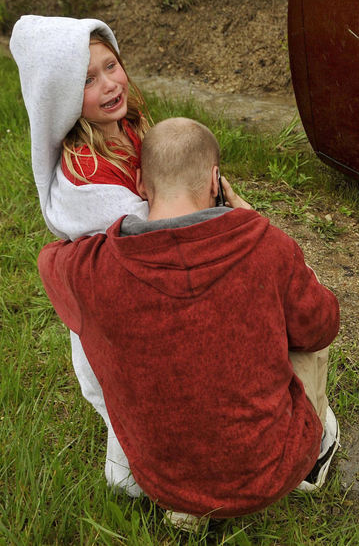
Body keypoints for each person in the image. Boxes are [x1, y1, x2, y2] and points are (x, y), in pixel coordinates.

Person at [37, 117, 341, 523]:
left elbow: (49, 258)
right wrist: (259, 227)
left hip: (163, 483)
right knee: (308, 294)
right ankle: (314, 454)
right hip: (270, 472)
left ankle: (189, 509)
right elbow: (322, 325)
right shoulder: (268, 248)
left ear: (141, 183)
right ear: (215, 181)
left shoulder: (92, 271)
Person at [11, 15, 152, 495]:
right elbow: (144, 231)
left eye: (111, 66)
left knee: (147, 401)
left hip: (142, 302)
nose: (110, 84)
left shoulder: (129, 130)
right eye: (88, 80)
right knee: (131, 402)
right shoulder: (85, 174)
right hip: (114, 316)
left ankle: (141, 469)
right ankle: (131, 478)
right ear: (64, 98)